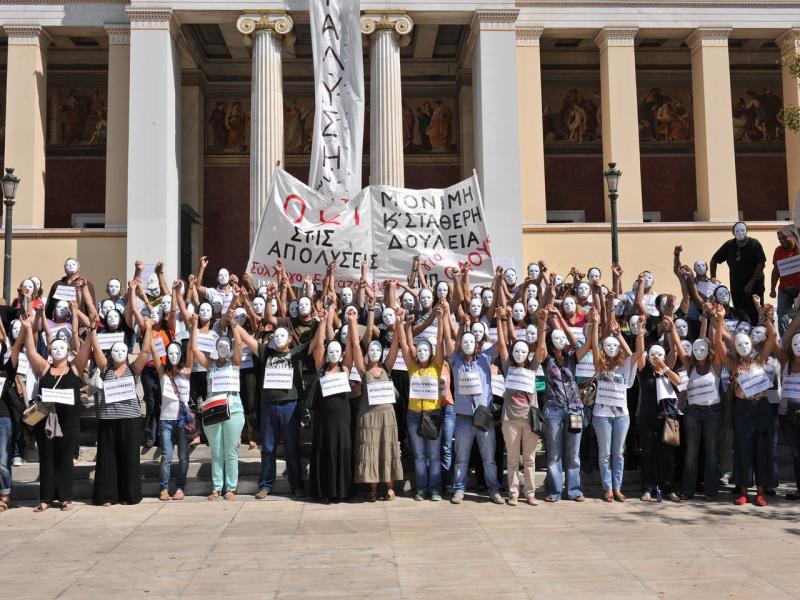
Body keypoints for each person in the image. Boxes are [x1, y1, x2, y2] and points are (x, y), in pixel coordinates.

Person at [22, 314, 92, 512]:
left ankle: (65, 498)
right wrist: (28, 329)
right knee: (47, 458)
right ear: (50, 351)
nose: (58, 350)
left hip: (68, 422)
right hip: (46, 421)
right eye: (54, 348)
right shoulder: (44, 368)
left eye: (62, 347)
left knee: (65, 459)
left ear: (68, 350)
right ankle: (45, 498)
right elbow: (31, 352)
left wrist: (92, 331)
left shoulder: (74, 368)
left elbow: (85, 350)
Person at [239, 312, 310, 499]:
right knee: (268, 448)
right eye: (276, 335)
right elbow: (246, 338)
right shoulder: (266, 352)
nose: (278, 338)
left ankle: (296, 484)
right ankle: (265, 485)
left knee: (291, 448)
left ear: (289, 339)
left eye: (282, 335)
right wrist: (232, 323)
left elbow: (317, 343)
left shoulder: (297, 353)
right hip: (269, 406)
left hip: (290, 406)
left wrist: (325, 320)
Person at [714, 301, 776, 506]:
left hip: (762, 408)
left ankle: (760, 493)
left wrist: (764, 317)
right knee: (742, 448)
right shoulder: (733, 364)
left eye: (746, 343)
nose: (743, 347)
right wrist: (720, 320)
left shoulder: (760, 360)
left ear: (751, 344)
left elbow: (773, 336)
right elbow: (718, 345)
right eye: (739, 345)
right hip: (742, 410)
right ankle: (743, 492)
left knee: (762, 449)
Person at [88, 316, 150, 506]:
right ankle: (108, 496)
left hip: (130, 419)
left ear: (127, 352)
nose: (119, 353)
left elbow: (145, 352)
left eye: (123, 350)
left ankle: (129, 495)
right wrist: (92, 330)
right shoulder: (105, 368)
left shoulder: (133, 370)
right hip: (108, 420)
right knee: (107, 459)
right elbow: (96, 349)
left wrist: (148, 329)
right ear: (111, 353)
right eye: (115, 350)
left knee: (130, 459)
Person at [350, 309, 404, 502]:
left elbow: (396, 344)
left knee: (387, 450)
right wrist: (352, 322)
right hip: (368, 416)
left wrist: (399, 322)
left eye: (377, 350)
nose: (374, 352)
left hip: (387, 417)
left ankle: (390, 488)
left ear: (382, 353)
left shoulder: (386, 368)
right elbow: (355, 346)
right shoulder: (363, 370)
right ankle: (372, 489)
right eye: (371, 349)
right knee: (371, 451)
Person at [540, 304, 592, 502]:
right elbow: (540, 347)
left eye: (562, 338)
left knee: (573, 454)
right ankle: (554, 491)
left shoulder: (572, 358)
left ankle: (574, 490)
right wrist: (544, 322)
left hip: (575, 409)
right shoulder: (547, 360)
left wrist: (560, 318)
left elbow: (580, 344)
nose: (560, 341)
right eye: (556, 339)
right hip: (553, 410)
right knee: (554, 454)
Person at [497, 306, 545, 506]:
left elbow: (540, 349)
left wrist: (542, 323)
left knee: (530, 459)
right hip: (510, 420)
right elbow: (502, 345)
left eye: (523, 352)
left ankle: (530, 493)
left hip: (530, 420)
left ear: (527, 354)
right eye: (516, 351)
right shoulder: (508, 366)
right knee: (512, 459)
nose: (519, 354)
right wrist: (500, 320)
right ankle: (514, 492)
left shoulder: (532, 368)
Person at [192, 321, 245, 501]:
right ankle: (216, 487)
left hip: (233, 411)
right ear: (215, 348)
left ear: (229, 349)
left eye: (226, 346)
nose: (223, 348)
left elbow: (239, 344)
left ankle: (231, 488)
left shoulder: (235, 363)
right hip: (213, 411)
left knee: (230, 452)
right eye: (220, 346)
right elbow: (194, 349)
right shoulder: (210, 365)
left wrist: (234, 325)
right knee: (216, 451)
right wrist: (193, 326)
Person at [592, 316, 642, 502]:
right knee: (605, 453)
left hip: (622, 416)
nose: (612, 348)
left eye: (615, 346)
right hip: (601, 416)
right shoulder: (599, 365)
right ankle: (607, 488)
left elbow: (638, 353)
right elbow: (594, 346)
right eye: (608, 345)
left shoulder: (625, 367)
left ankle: (617, 488)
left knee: (618, 453)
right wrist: (596, 323)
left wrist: (627, 333)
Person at [399, 304, 446, 502]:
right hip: (413, 416)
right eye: (420, 349)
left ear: (431, 352)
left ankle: (435, 489)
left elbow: (440, 342)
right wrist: (403, 324)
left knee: (434, 455)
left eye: (426, 349)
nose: (422, 352)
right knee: (419, 456)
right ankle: (420, 489)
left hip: (433, 414)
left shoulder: (436, 365)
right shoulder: (412, 367)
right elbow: (405, 343)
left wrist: (441, 319)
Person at [308, 309, 354, 503]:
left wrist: (352, 323)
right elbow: (318, 345)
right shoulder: (322, 368)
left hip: (342, 418)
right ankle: (324, 491)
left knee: (341, 449)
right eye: (330, 351)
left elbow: (352, 346)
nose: (334, 354)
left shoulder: (345, 368)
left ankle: (341, 491)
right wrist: (322, 322)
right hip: (323, 418)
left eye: (337, 351)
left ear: (341, 354)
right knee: (324, 449)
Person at [149, 321, 195, 501]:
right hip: (166, 419)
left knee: (183, 456)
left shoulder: (186, 370)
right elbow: (154, 351)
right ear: (166, 355)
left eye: (177, 353)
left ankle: (180, 487)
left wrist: (193, 327)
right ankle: (164, 488)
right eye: (170, 353)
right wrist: (148, 329)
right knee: (167, 455)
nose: (174, 356)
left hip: (183, 421)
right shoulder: (163, 371)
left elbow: (191, 349)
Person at [680, 336, 723, 500]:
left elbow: (718, 346)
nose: (699, 352)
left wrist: (718, 323)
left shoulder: (715, 366)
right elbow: (679, 348)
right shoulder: (690, 367)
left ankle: (711, 491)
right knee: (691, 451)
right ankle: (687, 490)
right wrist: (671, 329)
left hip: (713, 412)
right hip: (693, 413)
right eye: (695, 349)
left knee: (711, 452)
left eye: (702, 349)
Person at [711, 221, 766, 324]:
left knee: (755, 311)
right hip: (737, 286)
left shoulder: (754, 244)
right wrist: (713, 276)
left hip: (754, 285)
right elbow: (714, 260)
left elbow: (761, 264)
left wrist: (751, 282)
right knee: (740, 312)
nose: (740, 233)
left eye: (743, 230)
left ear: (747, 231)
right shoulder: (729, 245)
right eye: (737, 231)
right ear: (733, 233)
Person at [0, 321, 26, 512]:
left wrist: (25, 329)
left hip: (3, 418)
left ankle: (4, 494)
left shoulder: (6, 369)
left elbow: (15, 349)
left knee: (2, 458)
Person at [769, 224, 800, 335]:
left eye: (784, 237)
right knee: (782, 318)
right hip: (784, 291)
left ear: (793, 235)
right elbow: (775, 271)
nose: (781, 241)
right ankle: (785, 342)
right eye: (779, 239)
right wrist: (772, 289)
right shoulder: (778, 251)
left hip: (799, 292)